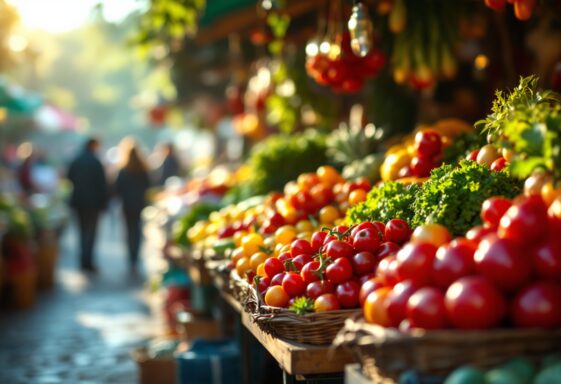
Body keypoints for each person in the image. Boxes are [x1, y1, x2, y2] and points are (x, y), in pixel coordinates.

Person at [67, 137, 108, 272]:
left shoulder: (76, 160)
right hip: (93, 203)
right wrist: (104, 203)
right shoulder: (96, 162)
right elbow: (102, 184)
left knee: (82, 232)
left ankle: (83, 261)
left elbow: (69, 177)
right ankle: (88, 261)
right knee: (91, 233)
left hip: (79, 201)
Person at [113, 139, 150, 272]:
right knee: (137, 231)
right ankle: (135, 256)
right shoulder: (143, 168)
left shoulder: (123, 169)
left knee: (129, 232)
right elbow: (148, 185)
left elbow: (117, 188)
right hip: (139, 204)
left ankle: (131, 258)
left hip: (127, 205)